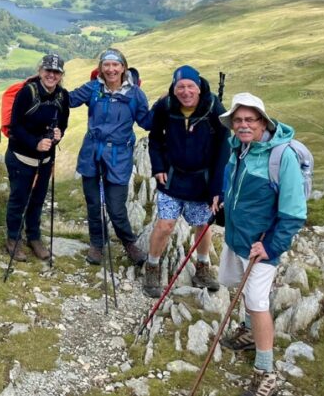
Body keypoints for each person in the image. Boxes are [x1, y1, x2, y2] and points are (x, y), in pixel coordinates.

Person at [214, 92, 306, 396]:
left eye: (249, 119)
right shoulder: (239, 147)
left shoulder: (282, 157)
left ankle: (266, 371)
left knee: (256, 301)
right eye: (237, 120)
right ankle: (249, 331)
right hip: (237, 237)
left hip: (261, 245)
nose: (242, 125)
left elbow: (293, 213)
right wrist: (222, 197)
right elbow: (234, 181)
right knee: (232, 281)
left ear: (262, 121)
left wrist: (271, 247)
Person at [142, 65, 229, 297]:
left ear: (199, 88)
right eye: (181, 86)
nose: (186, 91)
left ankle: (202, 265)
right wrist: (158, 166)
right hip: (171, 177)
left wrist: (217, 187)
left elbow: (224, 147)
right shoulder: (166, 106)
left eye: (191, 86)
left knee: (202, 225)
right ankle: (152, 266)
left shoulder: (213, 107)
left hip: (202, 181)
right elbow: (154, 138)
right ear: (174, 87)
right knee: (165, 224)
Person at [69, 48, 150, 266]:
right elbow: (68, 100)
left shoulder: (135, 94)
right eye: (107, 65)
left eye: (116, 65)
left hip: (118, 157)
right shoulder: (93, 88)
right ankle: (97, 243)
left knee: (116, 207)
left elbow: (147, 122)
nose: (111, 69)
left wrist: (166, 107)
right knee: (94, 203)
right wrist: (44, 89)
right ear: (100, 69)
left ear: (123, 67)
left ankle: (128, 242)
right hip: (92, 153)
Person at [4, 53, 70, 261]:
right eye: (48, 70)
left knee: (38, 200)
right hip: (21, 158)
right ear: (40, 71)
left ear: (61, 75)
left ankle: (34, 238)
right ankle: (13, 239)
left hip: (44, 162)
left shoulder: (63, 96)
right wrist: (35, 143)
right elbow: (15, 126)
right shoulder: (27, 93)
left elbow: (63, 124)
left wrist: (58, 136)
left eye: (56, 71)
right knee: (18, 199)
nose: (52, 75)